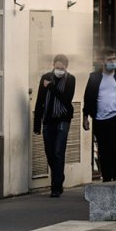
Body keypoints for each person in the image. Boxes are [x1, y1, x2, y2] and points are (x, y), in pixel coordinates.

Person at [33, 54, 77, 197]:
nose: (59, 70)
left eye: (62, 68)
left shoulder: (71, 79)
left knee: (58, 151)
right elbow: (40, 100)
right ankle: (59, 175)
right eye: (57, 68)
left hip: (62, 119)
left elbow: (66, 99)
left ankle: (56, 188)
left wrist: (51, 87)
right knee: (49, 153)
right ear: (53, 65)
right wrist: (36, 124)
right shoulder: (45, 77)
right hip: (48, 119)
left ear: (66, 68)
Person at [83, 48, 116, 182]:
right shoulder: (94, 77)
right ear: (102, 62)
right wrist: (85, 117)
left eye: (114, 59)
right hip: (100, 119)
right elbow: (88, 97)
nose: (113, 62)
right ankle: (106, 177)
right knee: (104, 151)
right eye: (109, 60)